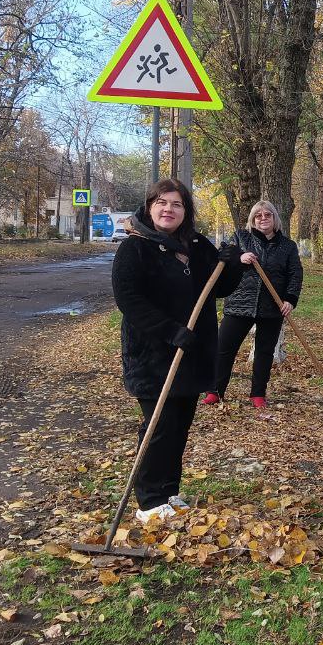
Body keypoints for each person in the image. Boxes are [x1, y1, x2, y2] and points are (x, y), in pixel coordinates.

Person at [112, 178, 243, 524]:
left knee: (179, 424)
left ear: (186, 211)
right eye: (162, 203)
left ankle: (169, 490)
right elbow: (130, 301)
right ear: (150, 207)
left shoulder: (197, 244)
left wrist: (231, 266)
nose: (169, 209)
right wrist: (170, 331)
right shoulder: (135, 249)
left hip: (191, 353)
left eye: (176, 204)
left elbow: (218, 288)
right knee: (160, 425)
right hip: (153, 355)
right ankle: (149, 500)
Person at [203, 200, 303, 409]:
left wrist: (290, 300)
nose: (263, 218)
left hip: (272, 306)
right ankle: (215, 391)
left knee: (265, 351)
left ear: (275, 219)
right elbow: (223, 256)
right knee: (224, 348)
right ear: (252, 219)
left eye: (268, 215)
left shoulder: (288, 246)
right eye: (258, 215)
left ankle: (258, 394)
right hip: (240, 303)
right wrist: (240, 257)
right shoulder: (241, 237)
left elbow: (295, 274)